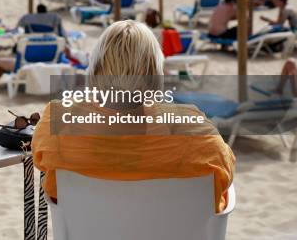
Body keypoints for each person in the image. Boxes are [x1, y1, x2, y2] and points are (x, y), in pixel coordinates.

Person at [32, 20, 235, 213]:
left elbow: (40, 160)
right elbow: (224, 172)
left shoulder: (59, 122)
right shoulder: (194, 132)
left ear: (95, 69)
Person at [0, 5, 66, 85]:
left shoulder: (26, 42)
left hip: (25, 67)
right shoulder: (56, 42)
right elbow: (62, 34)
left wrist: (6, 30)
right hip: (50, 66)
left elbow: (16, 30)